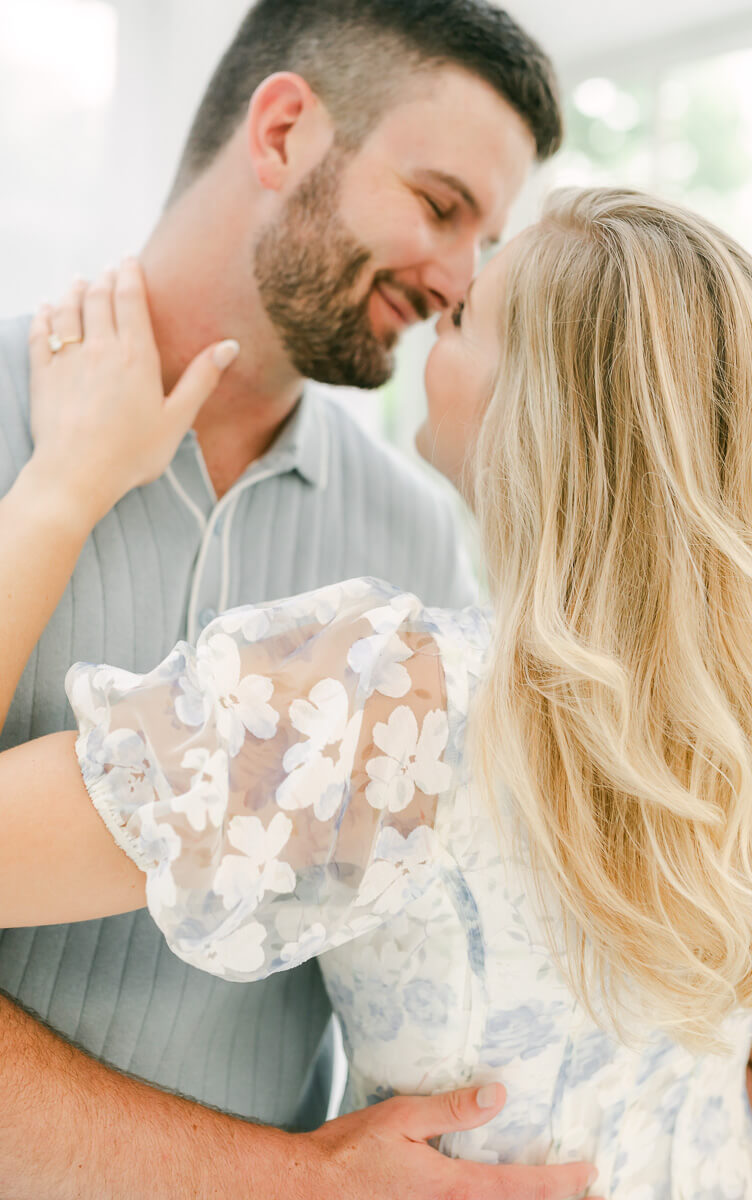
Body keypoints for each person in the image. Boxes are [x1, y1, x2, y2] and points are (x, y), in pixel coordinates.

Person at [5, 184, 752, 1198]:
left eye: (465, 319)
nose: (434, 322)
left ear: (536, 411)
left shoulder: (387, 701)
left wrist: (64, 481)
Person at [0, 1, 607, 1197]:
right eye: (442, 207)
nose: (456, 284)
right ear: (281, 132)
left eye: (486, 245)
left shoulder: (419, 534)